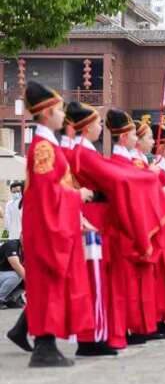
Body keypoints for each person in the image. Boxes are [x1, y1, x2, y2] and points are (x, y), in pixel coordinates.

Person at [18, 82, 94, 367]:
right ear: (48, 112)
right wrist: (78, 196)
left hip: (51, 224)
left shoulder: (45, 145)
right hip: (47, 228)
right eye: (61, 110)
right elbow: (46, 191)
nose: (64, 116)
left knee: (51, 286)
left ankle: (45, 343)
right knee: (49, 285)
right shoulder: (44, 148)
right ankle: (44, 346)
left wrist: (75, 214)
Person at [0, 238, 24, 308]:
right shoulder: (12, 245)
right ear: (21, 236)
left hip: (5, 276)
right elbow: (16, 265)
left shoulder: (30, 248)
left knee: (32, 276)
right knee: (18, 275)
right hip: (2, 273)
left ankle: (11, 299)